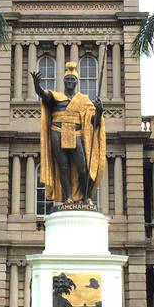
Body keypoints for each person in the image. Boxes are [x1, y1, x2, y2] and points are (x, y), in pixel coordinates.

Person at [31, 62, 106, 206]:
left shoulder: (83, 101)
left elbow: (94, 122)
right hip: (57, 133)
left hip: (75, 133)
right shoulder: (56, 97)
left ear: (77, 82)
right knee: (63, 167)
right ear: (64, 81)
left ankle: (85, 196)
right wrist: (37, 85)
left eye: (72, 79)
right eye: (67, 79)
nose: (70, 82)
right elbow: (43, 94)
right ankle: (69, 197)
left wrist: (99, 111)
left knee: (82, 167)